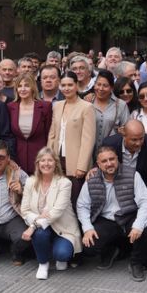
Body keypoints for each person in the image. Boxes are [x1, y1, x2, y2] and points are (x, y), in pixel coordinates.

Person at [77, 146, 147, 281]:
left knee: (146, 230)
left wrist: (138, 225)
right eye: (104, 161)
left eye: (112, 159)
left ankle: (136, 262)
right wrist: (87, 228)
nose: (109, 163)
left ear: (117, 159)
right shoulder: (92, 178)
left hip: (129, 216)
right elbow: (82, 206)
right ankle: (111, 250)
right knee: (89, 246)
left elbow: (145, 202)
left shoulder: (133, 174)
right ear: (98, 164)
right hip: (106, 220)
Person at [21, 147, 82, 280]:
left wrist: (33, 226)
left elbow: (56, 212)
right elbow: (24, 210)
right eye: (42, 160)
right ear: (38, 164)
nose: (46, 164)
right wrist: (38, 219)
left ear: (56, 163)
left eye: (50, 160)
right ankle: (43, 264)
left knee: (62, 254)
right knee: (40, 233)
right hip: (43, 227)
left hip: (63, 228)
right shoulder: (30, 181)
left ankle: (57, 253)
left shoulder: (64, 183)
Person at [48, 71, 96, 202]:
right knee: (58, 198)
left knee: (75, 199)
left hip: (76, 162)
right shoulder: (57, 106)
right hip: (58, 159)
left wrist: (82, 166)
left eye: (70, 85)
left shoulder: (87, 107)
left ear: (76, 85)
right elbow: (52, 134)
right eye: (63, 85)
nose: (66, 88)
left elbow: (88, 139)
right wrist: (49, 158)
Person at [7, 73, 52, 176]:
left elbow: (49, 134)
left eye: (26, 85)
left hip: (40, 158)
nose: (22, 89)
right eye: (19, 86)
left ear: (33, 88)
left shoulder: (45, 107)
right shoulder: (10, 107)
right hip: (17, 159)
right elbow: (9, 135)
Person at [92, 70, 130, 156]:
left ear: (112, 88)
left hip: (111, 153)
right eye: (98, 84)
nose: (100, 88)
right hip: (89, 152)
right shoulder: (88, 102)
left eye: (105, 86)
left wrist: (122, 130)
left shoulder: (120, 105)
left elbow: (127, 130)